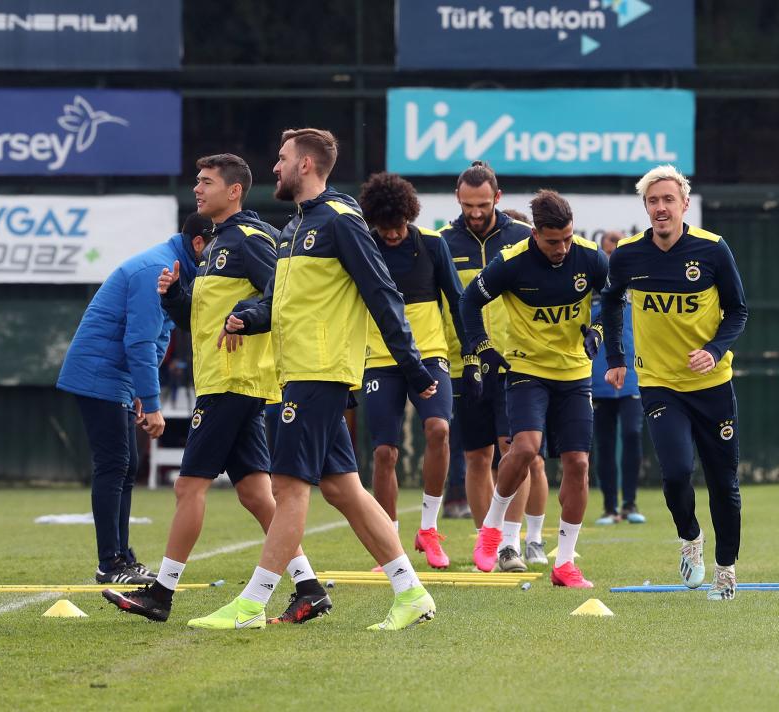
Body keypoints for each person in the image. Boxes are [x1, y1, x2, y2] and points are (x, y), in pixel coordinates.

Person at [188, 128, 438, 631]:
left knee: (287, 487)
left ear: (305, 164)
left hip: (318, 372)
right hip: (298, 372)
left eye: (282, 159)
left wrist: (413, 366)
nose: (275, 168)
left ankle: (252, 604)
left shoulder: (341, 220)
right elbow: (282, 302)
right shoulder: (293, 227)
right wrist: (248, 317)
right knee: (344, 489)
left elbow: (382, 291)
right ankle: (412, 593)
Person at [102, 155, 329, 624]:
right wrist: (174, 297)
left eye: (207, 182)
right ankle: (309, 588)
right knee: (255, 494)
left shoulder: (249, 238)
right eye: (197, 181)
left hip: (234, 380)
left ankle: (161, 594)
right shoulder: (217, 243)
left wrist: (247, 315)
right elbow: (201, 319)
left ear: (235, 191)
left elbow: (282, 296)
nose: (198, 189)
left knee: (189, 485)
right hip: (224, 380)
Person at [602, 164, 748, 601]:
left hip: (711, 384)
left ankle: (726, 570)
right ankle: (690, 537)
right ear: (645, 207)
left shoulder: (713, 249)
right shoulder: (627, 255)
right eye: (653, 201)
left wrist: (715, 349)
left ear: (684, 204)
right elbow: (610, 301)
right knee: (678, 471)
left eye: (668, 199)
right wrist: (616, 358)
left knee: (723, 482)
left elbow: (738, 311)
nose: (661, 207)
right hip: (659, 383)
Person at [462, 190, 608, 588]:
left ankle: (565, 563)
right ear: (535, 234)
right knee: (526, 448)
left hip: (574, 373)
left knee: (578, 464)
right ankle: (492, 529)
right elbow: (468, 302)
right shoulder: (510, 263)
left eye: (567, 238)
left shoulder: (590, 257)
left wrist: (597, 329)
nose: (562, 248)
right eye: (552, 241)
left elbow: (614, 297)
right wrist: (482, 347)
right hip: (526, 368)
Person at [57, 213, 206, 585]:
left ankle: (122, 557)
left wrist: (141, 390)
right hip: (98, 374)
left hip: (116, 377)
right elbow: (138, 342)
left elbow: (158, 336)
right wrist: (152, 402)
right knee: (114, 465)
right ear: (199, 243)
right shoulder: (157, 269)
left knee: (127, 465)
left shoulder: (174, 269)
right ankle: (110, 563)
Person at [357, 172, 469, 569]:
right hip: (379, 359)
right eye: (384, 226)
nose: (392, 234)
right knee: (384, 452)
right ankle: (390, 543)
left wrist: (473, 350)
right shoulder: (364, 247)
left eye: (398, 225)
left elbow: (457, 300)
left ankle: (429, 529)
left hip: (430, 355)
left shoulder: (432, 245)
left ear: (410, 215)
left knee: (438, 429)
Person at [440, 163, 547, 571]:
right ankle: (485, 542)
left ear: (497, 198)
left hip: (513, 364)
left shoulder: (522, 237)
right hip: (462, 365)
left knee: (514, 453)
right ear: (457, 198)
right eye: (468, 205)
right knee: (476, 457)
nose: (475, 212)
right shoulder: (443, 241)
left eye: (483, 204)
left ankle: (510, 544)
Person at [591, 230, 646, 526]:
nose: (612, 259)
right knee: (604, 441)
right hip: (600, 376)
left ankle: (630, 503)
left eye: (617, 252)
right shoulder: (594, 289)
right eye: (608, 253)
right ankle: (609, 507)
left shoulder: (639, 287)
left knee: (632, 434)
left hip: (633, 376)